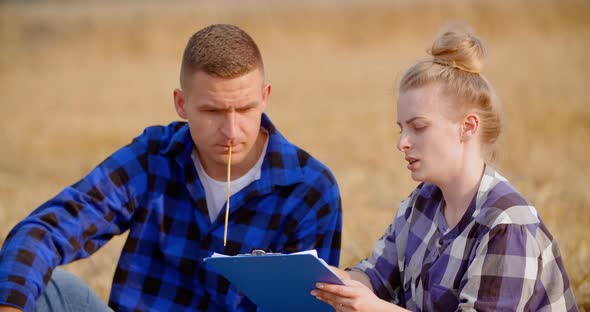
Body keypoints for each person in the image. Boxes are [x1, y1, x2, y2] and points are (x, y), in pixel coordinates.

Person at [0, 24, 342, 312]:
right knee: (29, 280)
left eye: (246, 108)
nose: (232, 131)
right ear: (181, 103)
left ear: (265, 96)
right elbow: (46, 231)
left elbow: (310, 306)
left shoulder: (311, 190)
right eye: (213, 112)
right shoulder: (152, 156)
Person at [311, 30, 578, 311]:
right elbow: (374, 278)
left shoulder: (507, 225)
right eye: (402, 128)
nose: (402, 142)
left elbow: (372, 302)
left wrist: (374, 307)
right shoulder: (421, 204)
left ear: (468, 127)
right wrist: (306, 275)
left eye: (419, 127)